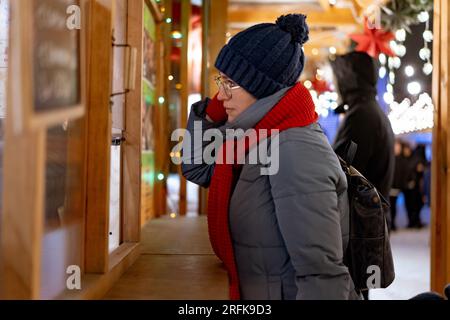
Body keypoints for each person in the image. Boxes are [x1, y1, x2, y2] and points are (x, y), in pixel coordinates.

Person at [181, 14, 359, 300]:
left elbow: (322, 277)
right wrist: (212, 112)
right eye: (221, 81)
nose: (221, 93)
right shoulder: (258, 137)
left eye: (230, 83)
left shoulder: (293, 149)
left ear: (260, 87)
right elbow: (198, 167)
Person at [332, 52, 395, 221]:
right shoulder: (368, 109)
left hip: (363, 226)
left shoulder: (361, 115)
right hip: (370, 220)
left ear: (347, 80)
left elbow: (339, 171)